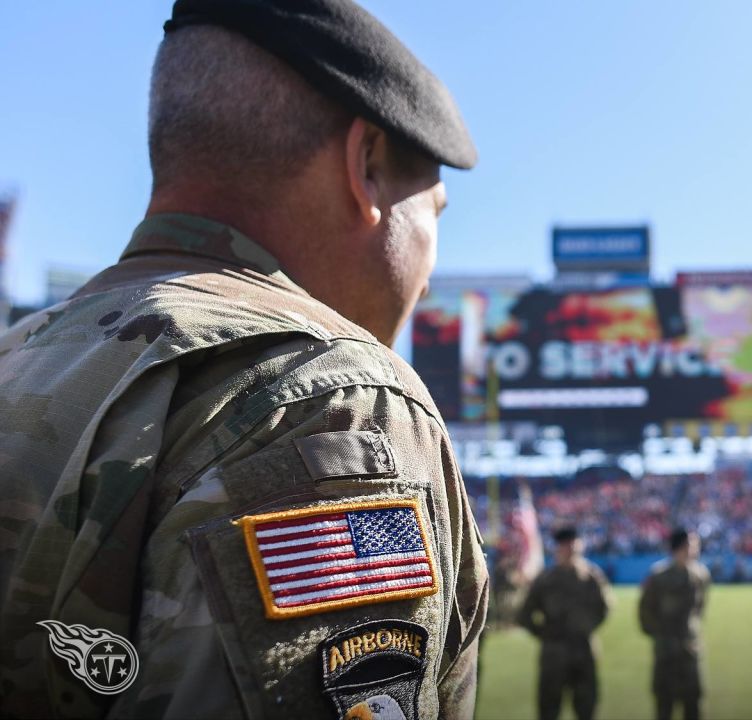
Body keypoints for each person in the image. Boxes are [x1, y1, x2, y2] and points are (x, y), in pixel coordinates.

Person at [0, 2, 487, 718]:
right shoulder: (328, 399)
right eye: (436, 210)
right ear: (368, 166)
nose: (429, 262)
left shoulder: (19, 354)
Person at [518, 527, 613, 720]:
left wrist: (586, 627)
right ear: (558, 548)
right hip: (553, 655)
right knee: (549, 709)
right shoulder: (545, 579)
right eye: (565, 545)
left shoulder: (592, 576)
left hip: (584, 652)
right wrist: (543, 633)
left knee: (587, 708)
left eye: (573, 545)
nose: (569, 549)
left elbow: (605, 607)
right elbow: (524, 614)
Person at [639, 528, 712, 720]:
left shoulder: (700, 574)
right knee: (664, 703)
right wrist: (661, 636)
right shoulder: (658, 576)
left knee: (693, 703)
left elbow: (700, 607)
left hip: (690, 649)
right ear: (680, 547)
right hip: (666, 651)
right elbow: (645, 611)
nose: (696, 548)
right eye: (692, 544)